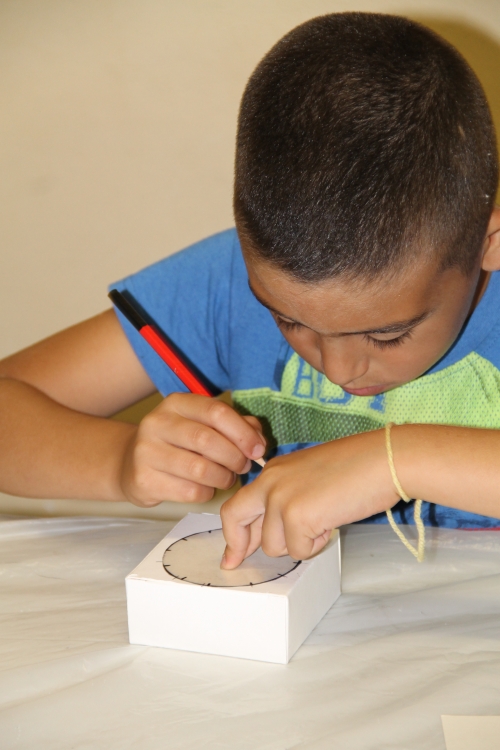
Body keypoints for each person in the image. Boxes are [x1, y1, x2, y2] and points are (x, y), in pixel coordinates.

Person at [1, 13, 499, 569]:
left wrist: (397, 460)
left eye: (387, 335)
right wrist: (119, 461)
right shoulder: (225, 283)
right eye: (288, 321)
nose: (339, 369)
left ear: (489, 242)